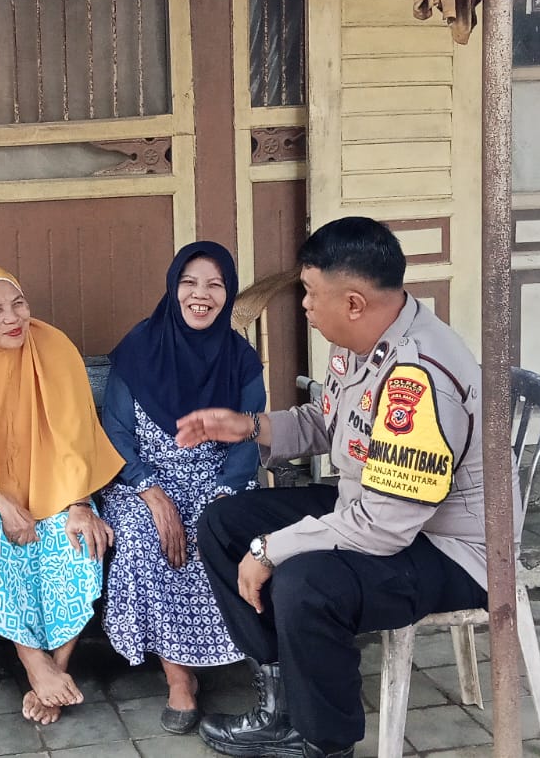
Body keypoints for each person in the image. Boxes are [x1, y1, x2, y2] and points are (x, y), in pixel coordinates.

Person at [175, 217, 495, 758]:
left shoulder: (417, 378)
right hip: (372, 506)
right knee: (225, 524)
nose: (303, 304)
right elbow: (328, 422)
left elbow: (384, 528)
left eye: (310, 292)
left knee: (306, 583)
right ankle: (284, 702)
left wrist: (271, 549)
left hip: (447, 548)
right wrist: (249, 426)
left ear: (353, 302)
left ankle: (323, 741)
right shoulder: (358, 340)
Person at [0, 264, 124, 725]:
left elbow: (77, 435)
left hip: (59, 487)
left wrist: (78, 503)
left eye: (18, 303)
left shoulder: (54, 348)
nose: (12, 318)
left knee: (79, 537)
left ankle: (58, 671)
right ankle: (35, 662)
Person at [98, 242, 266, 734]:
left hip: (219, 479)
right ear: (173, 288)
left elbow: (249, 434)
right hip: (142, 479)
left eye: (215, 285)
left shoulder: (240, 359)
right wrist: (151, 492)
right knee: (143, 535)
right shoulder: (139, 348)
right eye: (189, 282)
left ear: (228, 294)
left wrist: (220, 497)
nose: (201, 294)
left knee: (225, 530)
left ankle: (258, 660)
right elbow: (116, 432)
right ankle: (179, 680)